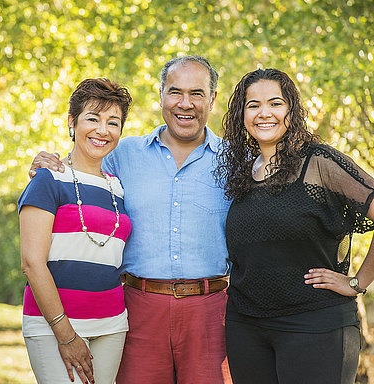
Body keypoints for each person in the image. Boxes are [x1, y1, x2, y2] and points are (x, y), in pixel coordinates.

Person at [29, 56, 233, 384]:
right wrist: (47, 161)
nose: (185, 103)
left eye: (197, 93)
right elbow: (82, 165)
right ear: (161, 95)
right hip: (138, 309)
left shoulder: (235, 160)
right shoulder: (124, 154)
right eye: (175, 92)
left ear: (212, 98)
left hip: (211, 312)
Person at [216, 68, 374, 384]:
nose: (264, 113)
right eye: (253, 105)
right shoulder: (241, 171)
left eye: (275, 103)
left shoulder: (319, 162)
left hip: (315, 324)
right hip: (247, 327)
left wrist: (357, 283)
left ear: (291, 110)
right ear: (241, 114)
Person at [18, 78, 134, 384]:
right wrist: (66, 335)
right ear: (72, 122)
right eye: (92, 119)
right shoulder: (47, 180)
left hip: (111, 324)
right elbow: (32, 263)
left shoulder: (119, 187)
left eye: (113, 122)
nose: (102, 130)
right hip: (52, 326)